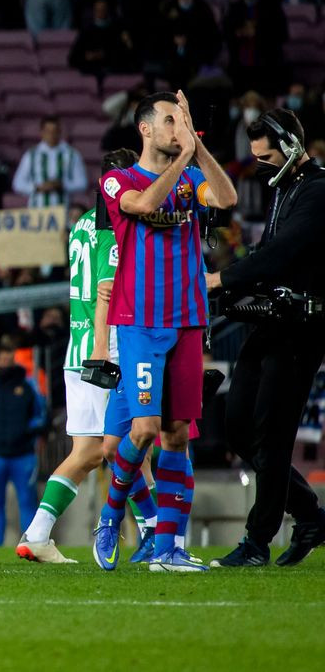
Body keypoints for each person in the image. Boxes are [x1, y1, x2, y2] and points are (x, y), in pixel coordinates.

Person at [94, 91, 237, 573]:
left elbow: (227, 198)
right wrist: (185, 162)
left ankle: (168, 550)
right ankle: (111, 515)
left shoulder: (193, 178)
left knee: (177, 437)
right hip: (140, 322)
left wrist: (200, 152)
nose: (180, 131)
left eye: (184, 122)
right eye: (172, 122)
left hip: (189, 320)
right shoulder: (118, 180)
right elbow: (144, 203)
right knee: (144, 430)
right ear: (146, 129)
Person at [17, 148, 159, 564]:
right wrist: (105, 349)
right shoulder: (114, 226)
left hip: (76, 351)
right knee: (130, 445)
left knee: (89, 452)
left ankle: (38, 533)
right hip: (108, 350)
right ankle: (153, 531)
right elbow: (106, 291)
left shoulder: (81, 225)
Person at [207, 109, 325, 568]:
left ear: (293, 144)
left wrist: (223, 279)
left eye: (269, 158)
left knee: (272, 437)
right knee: (238, 427)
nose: (264, 168)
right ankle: (312, 516)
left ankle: (257, 542)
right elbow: (268, 250)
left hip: (302, 327)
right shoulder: (288, 187)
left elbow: (283, 252)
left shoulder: (317, 189)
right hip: (273, 321)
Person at [0, 339, 47, 547]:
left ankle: (32, 544)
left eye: (9, 359)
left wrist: (29, 432)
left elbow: (40, 417)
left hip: (23, 455)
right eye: (2, 359)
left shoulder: (27, 385)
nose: (5, 363)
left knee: (28, 502)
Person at [12, 116, 88, 209]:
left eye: (55, 131)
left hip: (63, 211)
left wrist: (62, 185)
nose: (51, 135)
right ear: (42, 133)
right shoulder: (31, 155)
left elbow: (82, 183)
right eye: (48, 131)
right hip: (37, 213)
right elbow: (18, 183)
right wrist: (38, 188)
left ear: (60, 132)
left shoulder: (71, 154)